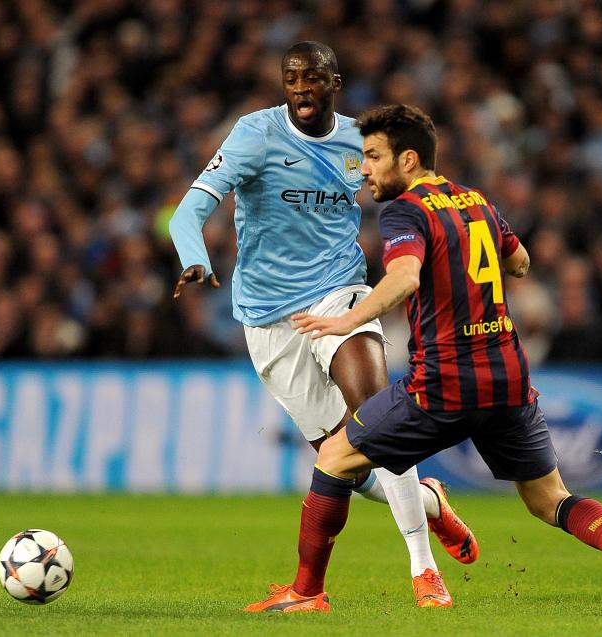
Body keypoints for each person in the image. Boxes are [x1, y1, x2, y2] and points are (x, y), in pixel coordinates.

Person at [245, 104, 602, 613]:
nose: (365, 170)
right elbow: (522, 262)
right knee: (550, 498)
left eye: (374, 156)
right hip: (507, 376)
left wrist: (346, 321)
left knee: (334, 459)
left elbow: (403, 278)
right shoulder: (476, 201)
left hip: (443, 382)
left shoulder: (405, 210)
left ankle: (307, 591)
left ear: (409, 158)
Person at [168, 42, 477, 607]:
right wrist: (195, 254)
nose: (301, 87)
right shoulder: (255, 134)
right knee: (349, 467)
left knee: (377, 416)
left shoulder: (360, 143)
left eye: (313, 77)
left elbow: (420, 185)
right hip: (268, 318)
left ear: (335, 82)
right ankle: (432, 504)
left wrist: (464, 221)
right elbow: (190, 207)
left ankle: (422, 571)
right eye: (291, 78)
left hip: (340, 294)